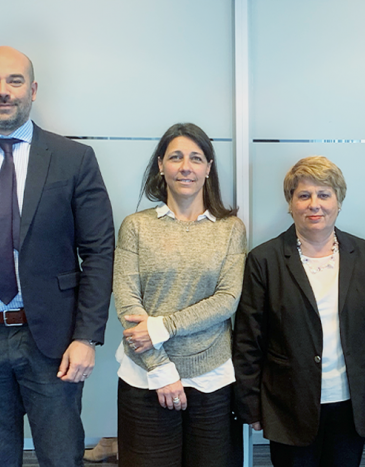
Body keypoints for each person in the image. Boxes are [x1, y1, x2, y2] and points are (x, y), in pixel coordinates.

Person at [0, 46, 114, 467]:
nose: (3, 91)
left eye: (14, 81)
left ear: (34, 89)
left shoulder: (73, 159)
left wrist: (86, 337)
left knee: (62, 458)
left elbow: (98, 251)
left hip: (53, 343)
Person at [233, 156, 365, 467]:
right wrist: (251, 405)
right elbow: (248, 339)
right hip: (288, 405)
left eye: (324, 194)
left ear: (339, 201)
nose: (314, 204)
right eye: (303, 195)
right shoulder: (264, 260)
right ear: (290, 203)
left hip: (351, 405)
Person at [113, 122, 247, 467]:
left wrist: (161, 328)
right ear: (160, 165)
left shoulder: (230, 229)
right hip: (145, 375)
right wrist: (161, 371)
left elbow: (227, 300)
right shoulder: (136, 226)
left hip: (212, 376)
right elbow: (128, 304)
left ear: (208, 168)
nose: (185, 167)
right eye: (175, 157)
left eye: (196, 158)